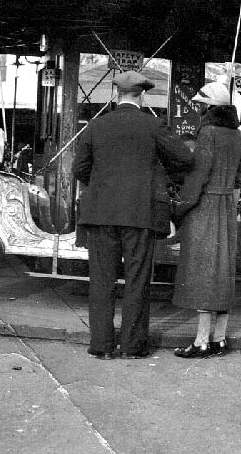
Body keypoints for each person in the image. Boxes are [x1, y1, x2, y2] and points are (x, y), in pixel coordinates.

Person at [72, 70, 193, 360]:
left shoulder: (96, 126)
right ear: (141, 95)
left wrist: (103, 185)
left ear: (117, 95)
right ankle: (132, 346)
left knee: (102, 280)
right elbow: (185, 159)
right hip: (141, 213)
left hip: (101, 213)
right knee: (137, 280)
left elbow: (79, 169)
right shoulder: (154, 126)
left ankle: (101, 346)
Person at [171, 82, 241, 359]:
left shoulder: (208, 132)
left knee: (203, 272)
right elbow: (239, 178)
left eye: (202, 104)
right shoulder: (238, 135)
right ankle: (220, 338)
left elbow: (198, 175)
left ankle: (202, 341)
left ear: (210, 106)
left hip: (206, 206)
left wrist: (179, 208)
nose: (199, 107)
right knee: (224, 271)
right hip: (227, 205)